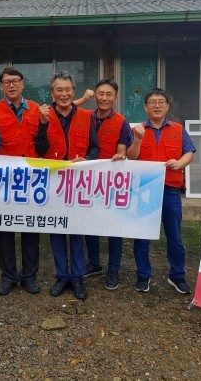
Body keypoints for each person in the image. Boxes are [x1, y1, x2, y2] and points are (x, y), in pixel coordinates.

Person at [36, 70, 99, 300]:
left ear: (74, 91)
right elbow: (39, 149)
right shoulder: (43, 115)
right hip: (53, 182)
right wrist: (43, 124)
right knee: (56, 229)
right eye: (59, 90)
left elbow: (95, 147)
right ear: (52, 93)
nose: (64, 94)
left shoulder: (86, 116)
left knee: (76, 230)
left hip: (78, 182)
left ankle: (78, 277)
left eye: (68, 89)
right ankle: (62, 276)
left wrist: (87, 160)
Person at [127, 88, 196, 294]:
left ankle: (177, 275)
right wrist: (137, 140)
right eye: (152, 102)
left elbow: (189, 152)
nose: (157, 105)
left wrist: (180, 163)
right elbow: (131, 157)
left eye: (161, 102)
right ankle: (143, 275)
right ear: (145, 107)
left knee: (174, 235)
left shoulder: (178, 129)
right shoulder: (138, 130)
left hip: (171, 190)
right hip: (145, 190)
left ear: (167, 106)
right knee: (142, 235)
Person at [0, 67, 43, 296]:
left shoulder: (36, 109)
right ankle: (8, 276)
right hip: (5, 180)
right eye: (7, 82)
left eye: (15, 81)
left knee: (31, 228)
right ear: (1, 86)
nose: (11, 85)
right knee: (5, 229)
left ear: (22, 83)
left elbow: (42, 142)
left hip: (31, 178)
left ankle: (29, 276)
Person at [82, 79, 133, 290]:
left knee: (114, 226)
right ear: (95, 95)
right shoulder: (84, 117)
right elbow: (60, 109)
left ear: (115, 98)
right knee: (89, 223)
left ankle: (114, 269)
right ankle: (94, 263)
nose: (104, 98)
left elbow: (122, 149)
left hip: (111, 181)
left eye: (109, 94)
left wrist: (121, 155)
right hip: (86, 180)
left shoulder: (122, 122)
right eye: (100, 94)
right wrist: (82, 99)